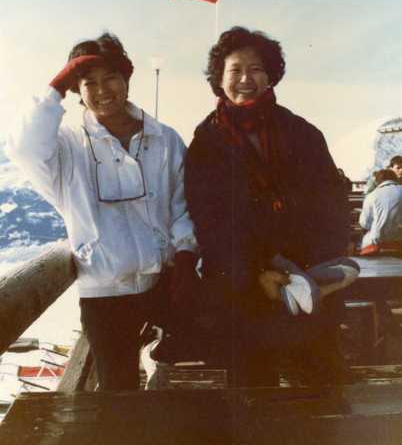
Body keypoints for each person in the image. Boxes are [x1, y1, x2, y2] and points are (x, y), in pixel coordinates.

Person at [6, 33, 198, 391]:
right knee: (117, 392)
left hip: (164, 284)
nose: (101, 90)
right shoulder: (66, 145)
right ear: (76, 90)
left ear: (127, 79)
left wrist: (185, 257)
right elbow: (22, 148)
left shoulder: (164, 138)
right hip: (103, 296)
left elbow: (182, 204)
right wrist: (56, 86)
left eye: (110, 77)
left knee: (177, 385)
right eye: (88, 82)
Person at [181, 26, 355, 387]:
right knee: (254, 389)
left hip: (310, 281)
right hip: (244, 287)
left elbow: (331, 205)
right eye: (235, 70)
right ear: (219, 79)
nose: (246, 79)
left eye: (256, 69)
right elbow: (209, 222)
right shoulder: (206, 143)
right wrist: (258, 271)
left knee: (320, 388)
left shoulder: (302, 133)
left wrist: (313, 269)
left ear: (271, 75)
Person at [359, 168, 402, 255]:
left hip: (378, 243)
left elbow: (364, 224)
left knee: (363, 241)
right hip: (399, 240)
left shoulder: (371, 196)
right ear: (395, 179)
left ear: (377, 182)